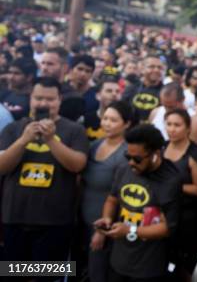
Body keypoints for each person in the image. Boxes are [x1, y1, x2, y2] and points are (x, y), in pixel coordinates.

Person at [0, 77, 88, 265]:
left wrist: (50, 139)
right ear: (31, 98)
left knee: (47, 275)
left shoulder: (75, 130)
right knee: (13, 274)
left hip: (56, 221)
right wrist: (23, 140)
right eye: (38, 98)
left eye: (50, 99)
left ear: (59, 100)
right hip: (14, 217)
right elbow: (2, 167)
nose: (43, 103)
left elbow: (77, 165)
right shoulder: (13, 128)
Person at [94, 124, 181, 282]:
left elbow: (167, 227)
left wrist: (130, 230)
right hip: (119, 260)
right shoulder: (124, 169)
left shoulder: (170, 181)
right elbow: (112, 199)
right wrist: (107, 218)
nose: (131, 163)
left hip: (148, 267)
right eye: (128, 156)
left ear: (156, 154)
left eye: (137, 159)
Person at [82, 101, 133, 282]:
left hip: (105, 224)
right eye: (105, 119)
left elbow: (120, 196)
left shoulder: (127, 153)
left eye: (113, 120)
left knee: (98, 273)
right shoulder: (94, 145)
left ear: (126, 124)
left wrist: (102, 230)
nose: (107, 124)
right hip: (82, 219)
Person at [162, 108, 197, 277]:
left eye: (177, 125)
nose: (172, 129)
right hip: (165, 214)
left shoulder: (194, 154)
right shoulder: (163, 146)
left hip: (188, 219)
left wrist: (173, 186)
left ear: (188, 128)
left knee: (186, 265)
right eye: (168, 124)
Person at [122, 56, 165, 123]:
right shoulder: (131, 89)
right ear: (142, 69)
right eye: (151, 67)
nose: (156, 70)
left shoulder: (167, 92)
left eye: (159, 67)